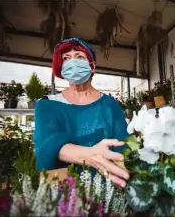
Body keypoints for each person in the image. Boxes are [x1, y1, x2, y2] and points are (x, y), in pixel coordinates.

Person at [34, 38, 130, 188]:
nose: (72, 62)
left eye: (79, 56)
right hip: (65, 193)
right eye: (66, 58)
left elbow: (123, 145)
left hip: (107, 189)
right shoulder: (47, 105)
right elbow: (47, 144)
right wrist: (91, 155)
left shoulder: (109, 104)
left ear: (92, 66)